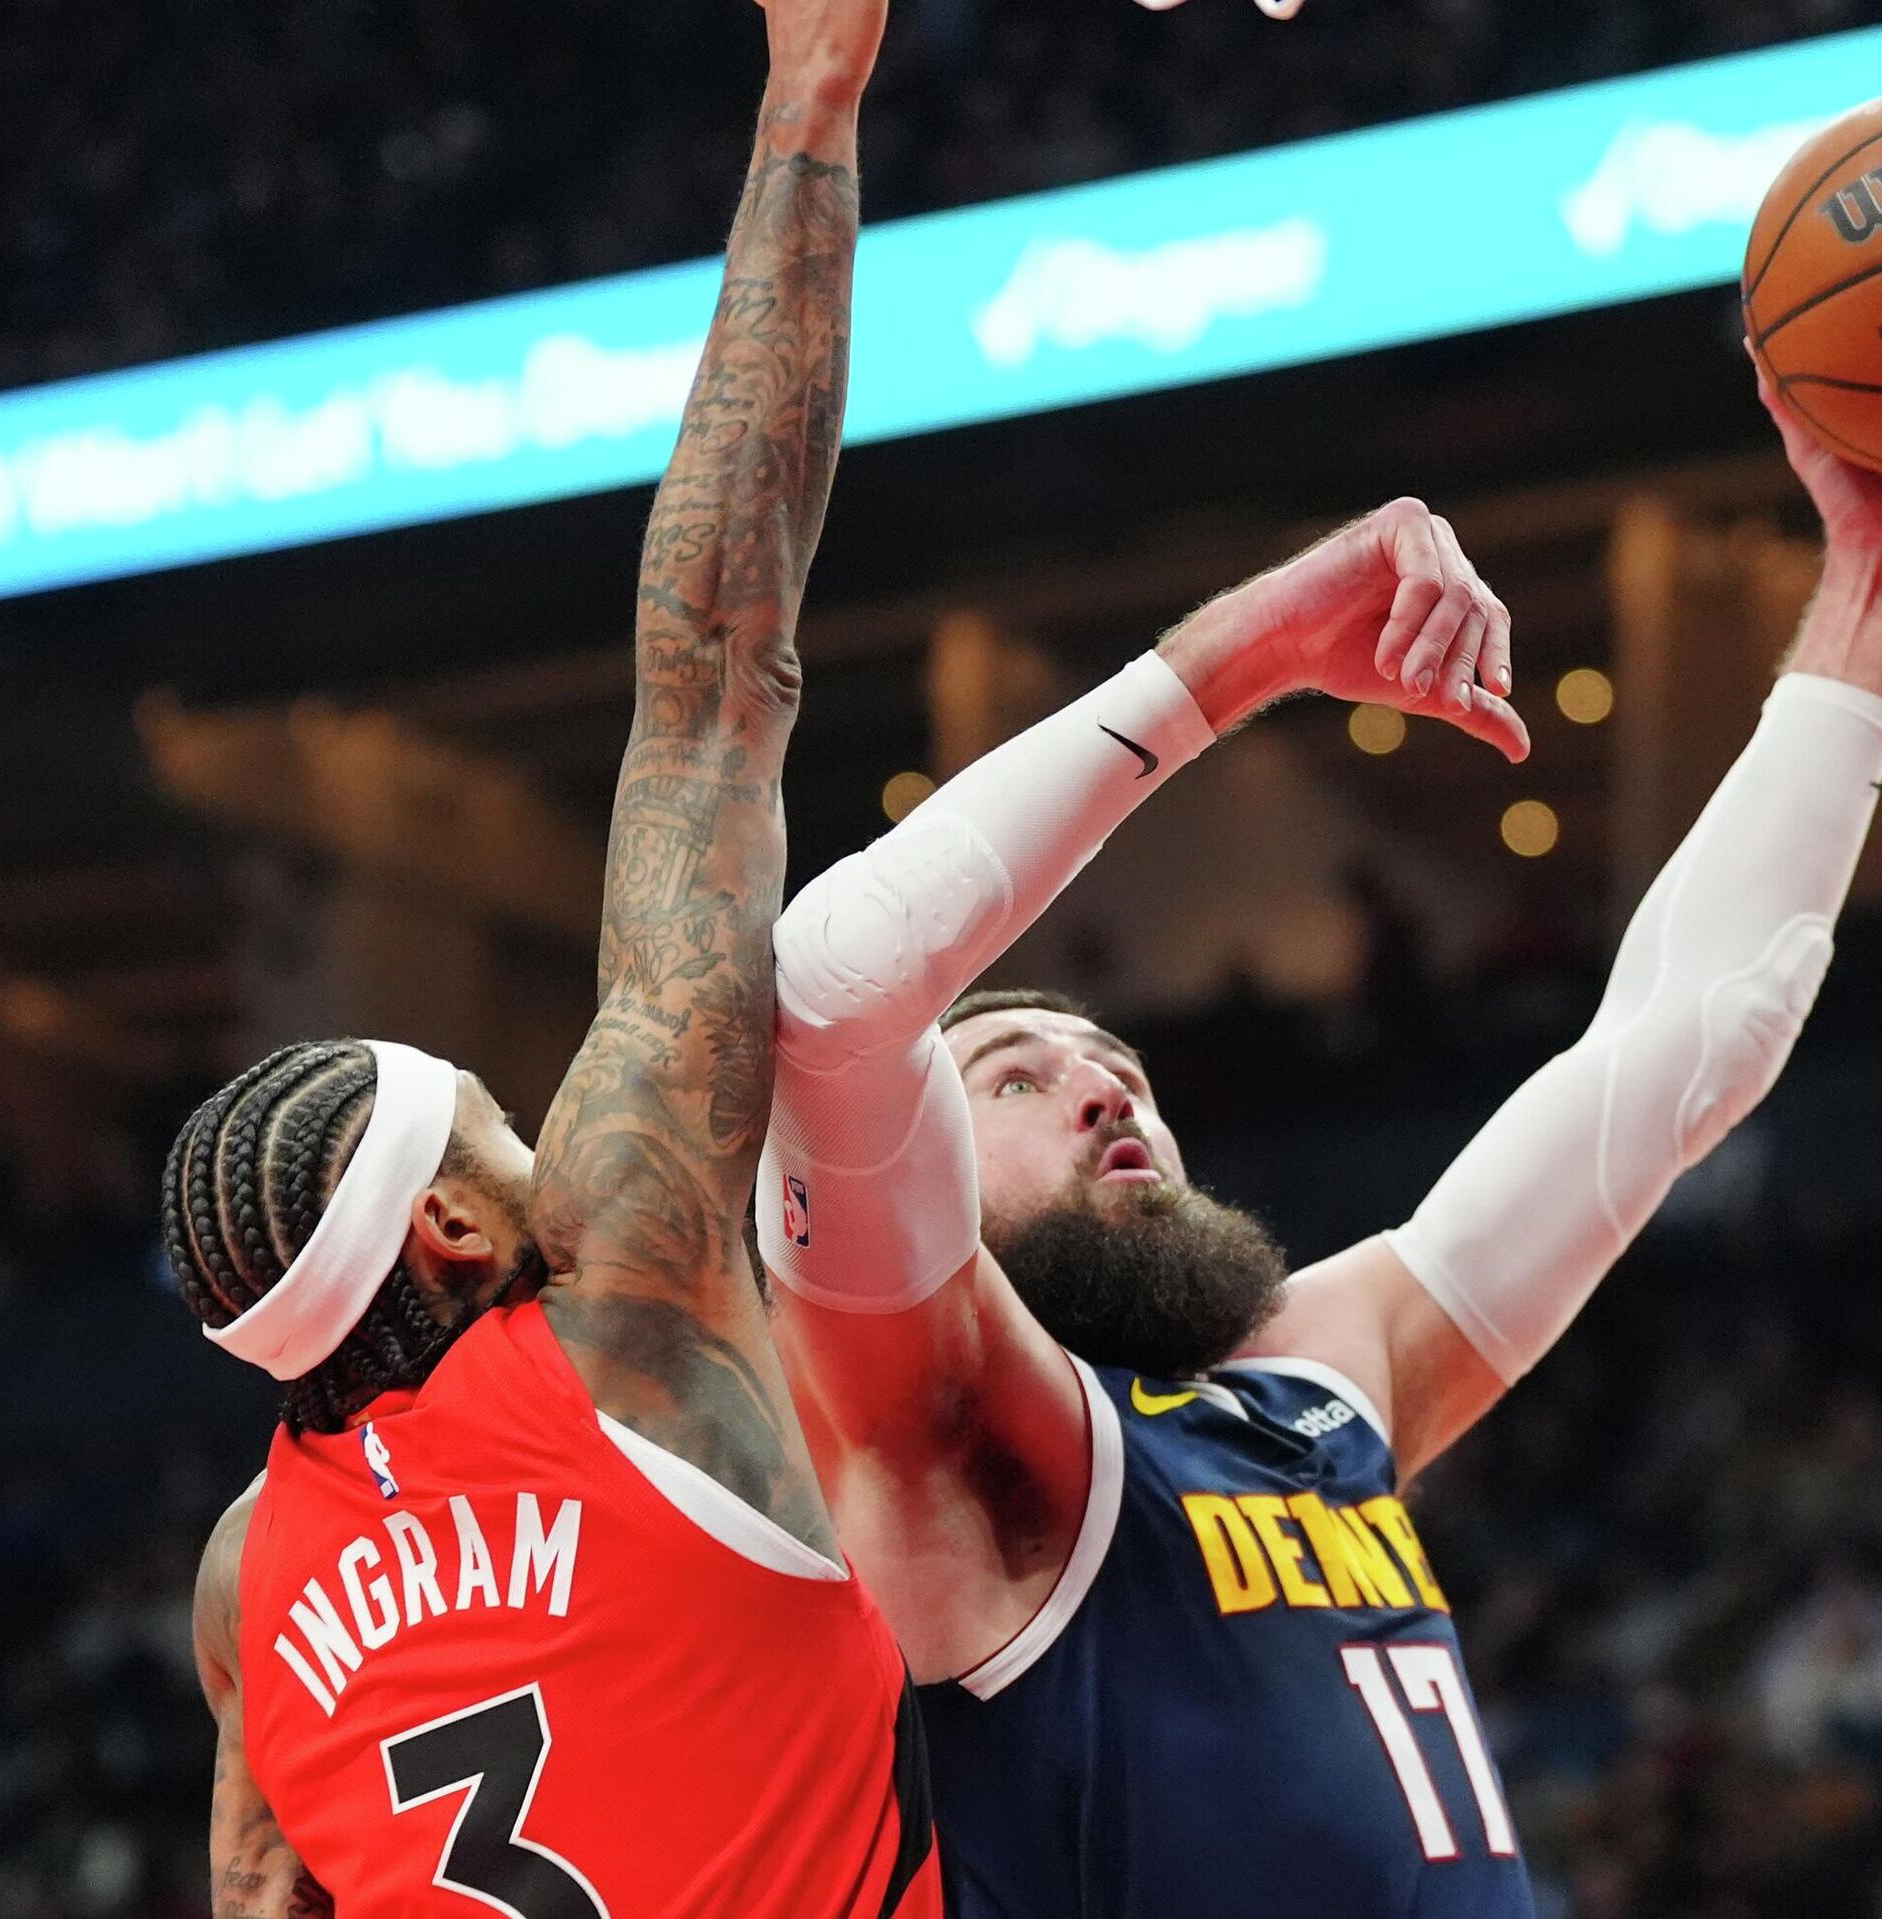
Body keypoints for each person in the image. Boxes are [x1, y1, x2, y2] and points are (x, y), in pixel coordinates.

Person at [755, 384, 1882, 1918]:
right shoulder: (948, 1437)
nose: (1104, 1095)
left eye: (1123, 1073)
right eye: (1017, 1080)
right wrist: (1247, 658)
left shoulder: (1322, 1375)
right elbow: (831, 992)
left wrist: (1863, 562)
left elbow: (1702, 1028)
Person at [165, 5, 940, 1916]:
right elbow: (714, 685)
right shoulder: (623, 1321)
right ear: (447, 1224)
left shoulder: (247, 1585)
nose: (541, 1140)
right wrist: (809, 102)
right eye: (500, 1127)